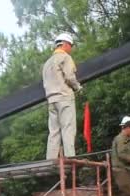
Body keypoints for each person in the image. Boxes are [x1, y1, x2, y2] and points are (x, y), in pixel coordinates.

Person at [42, 32, 82, 160]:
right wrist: (78, 87)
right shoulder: (65, 57)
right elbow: (70, 77)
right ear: (64, 44)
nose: (71, 48)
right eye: (70, 45)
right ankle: (70, 157)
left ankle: (51, 159)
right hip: (64, 97)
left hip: (51, 100)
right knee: (68, 128)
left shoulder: (47, 63)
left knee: (54, 131)